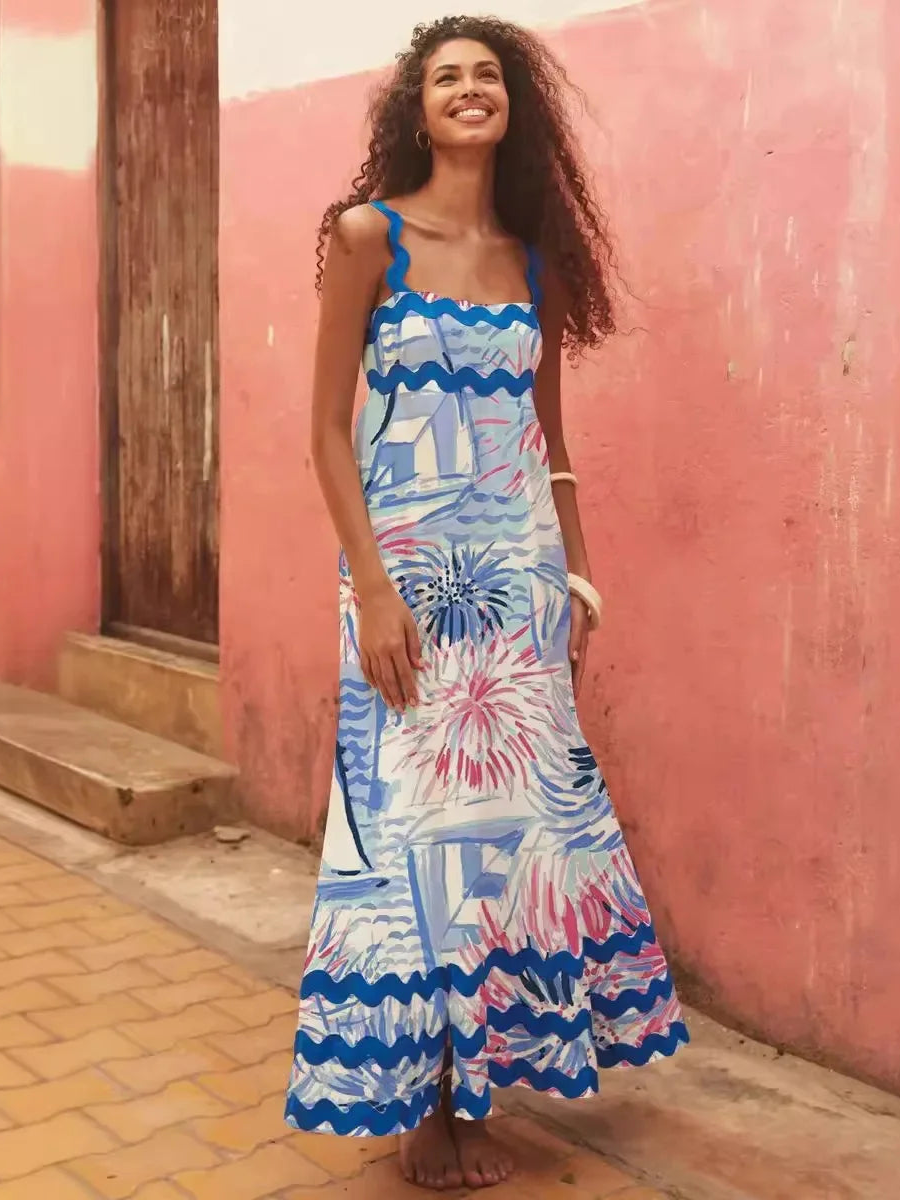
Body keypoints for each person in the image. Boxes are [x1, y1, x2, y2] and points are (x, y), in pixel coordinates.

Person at [285, 15, 689, 1191]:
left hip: (514, 593)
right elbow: (323, 426)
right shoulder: (371, 238)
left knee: (513, 848)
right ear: (416, 108)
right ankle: (425, 1112)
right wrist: (370, 586)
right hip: (404, 583)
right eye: (448, 77)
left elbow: (547, 440)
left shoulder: (535, 260)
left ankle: (482, 1084)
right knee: (408, 837)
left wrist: (575, 577)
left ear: (517, 109)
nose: (470, 90)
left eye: (489, 77)